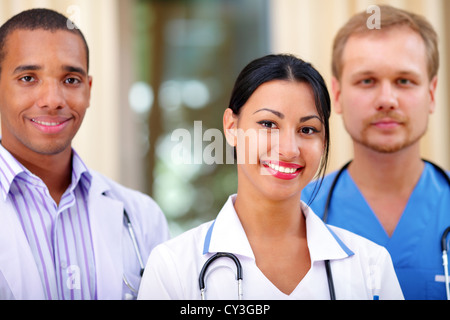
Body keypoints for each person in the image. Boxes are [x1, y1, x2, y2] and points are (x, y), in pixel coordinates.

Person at [137, 54, 403, 300]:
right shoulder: (173, 268)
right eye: (268, 124)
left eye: (307, 129)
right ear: (231, 127)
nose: (288, 149)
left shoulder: (371, 267)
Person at [0, 8, 169, 300]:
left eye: (70, 80)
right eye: (28, 78)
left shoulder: (142, 217)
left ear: (88, 90)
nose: (53, 101)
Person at [301, 5, 450, 300]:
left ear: (431, 94)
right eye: (367, 81)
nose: (386, 100)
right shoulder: (299, 214)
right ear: (339, 96)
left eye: (404, 80)